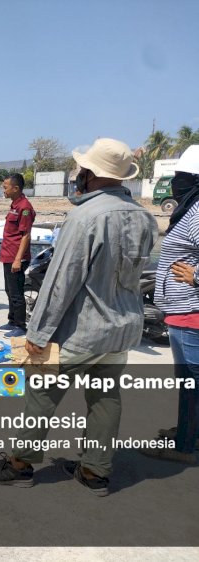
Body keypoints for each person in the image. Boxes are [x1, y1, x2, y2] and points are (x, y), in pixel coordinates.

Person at [0, 138, 158, 496]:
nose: (77, 174)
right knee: (105, 398)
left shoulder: (85, 217)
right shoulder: (144, 218)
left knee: (41, 393)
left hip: (81, 331)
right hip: (121, 330)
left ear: (90, 174)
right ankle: (94, 471)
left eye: (81, 169)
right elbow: (141, 277)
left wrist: (38, 332)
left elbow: (61, 282)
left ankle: (20, 464)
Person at [148, 144, 199, 464]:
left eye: (181, 176)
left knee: (191, 383)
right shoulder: (190, 207)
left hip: (191, 312)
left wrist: (195, 276)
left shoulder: (197, 211)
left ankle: (185, 447)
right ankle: (189, 432)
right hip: (183, 311)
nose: (175, 182)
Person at [0, 173, 35, 338]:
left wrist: (18, 259)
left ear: (16, 188)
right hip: (8, 254)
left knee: (16, 292)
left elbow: (25, 235)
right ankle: (12, 320)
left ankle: (20, 325)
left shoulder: (24, 208)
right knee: (9, 290)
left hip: (16, 257)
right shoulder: (15, 205)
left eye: (5, 187)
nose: (3, 190)